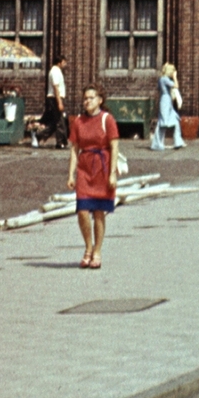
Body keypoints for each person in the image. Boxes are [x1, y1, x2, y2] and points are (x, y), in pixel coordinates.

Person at [68, 84, 118, 269]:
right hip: (84, 168)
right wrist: (71, 174)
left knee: (98, 212)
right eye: (85, 98)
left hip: (102, 168)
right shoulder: (78, 121)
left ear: (100, 100)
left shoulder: (107, 119)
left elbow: (114, 146)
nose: (87, 101)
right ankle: (88, 247)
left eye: (91, 98)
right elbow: (74, 149)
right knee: (82, 210)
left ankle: (97, 251)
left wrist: (112, 173)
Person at [34, 52, 68, 148]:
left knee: (55, 121)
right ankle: (60, 142)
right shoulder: (55, 72)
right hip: (55, 98)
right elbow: (55, 87)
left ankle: (40, 135)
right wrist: (59, 102)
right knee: (60, 121)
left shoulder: (56, 71)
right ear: (59, 62)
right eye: (64, 62)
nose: (65, 64)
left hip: (55, 98)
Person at [150, 62, 185, 150]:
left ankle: (178, 141)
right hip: (165, 101)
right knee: (163, 123)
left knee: (175, 120)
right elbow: (176, 86)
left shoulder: (161, 79)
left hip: (166, 100)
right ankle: (157, 144)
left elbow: (159, 89)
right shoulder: (164, 79)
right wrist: (175, 77)